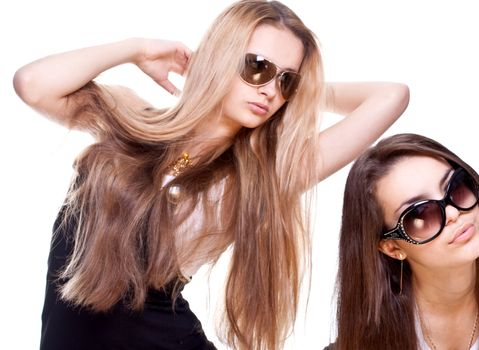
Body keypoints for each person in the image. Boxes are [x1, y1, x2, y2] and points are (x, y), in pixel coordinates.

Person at [13, 1, 409, 349]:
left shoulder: (264, 177)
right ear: (221, 56)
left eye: (286, 80)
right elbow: (33, 84)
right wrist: (136, 49)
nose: (271, 90)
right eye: (257, 67)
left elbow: (391, 96)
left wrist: (303, 95)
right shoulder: (132, 119)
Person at [330, 133, 479, 350]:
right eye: (421, 213)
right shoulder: (376, 321)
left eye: (456, 187)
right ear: (392, 247)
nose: (453, 212)